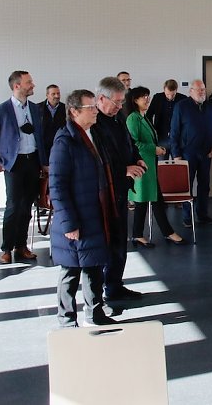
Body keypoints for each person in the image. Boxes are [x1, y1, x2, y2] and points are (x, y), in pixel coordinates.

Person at [50, 89, 117, 327]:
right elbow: (57, 186)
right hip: (76, 217)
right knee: (71, 271)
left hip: (94, 213)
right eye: (90, 108)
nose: (95, 111)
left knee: (93, 266)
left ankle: (95, 313)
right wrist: (69, 223)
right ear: (74, 112)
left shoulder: (93, 135)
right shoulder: (65, 141)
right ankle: (67, 320)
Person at [0, 70, 47, 264]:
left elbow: (40, 137)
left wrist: (44, 162)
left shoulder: (35, 108)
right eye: (29, 82)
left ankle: (21, 245)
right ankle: (6, 248)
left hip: (32, 161)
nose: (33, 85)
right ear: (17, 86)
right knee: (13, 206)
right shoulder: (2, 110)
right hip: (14, 164)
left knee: (27, 206)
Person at [93, 76, 146, 301]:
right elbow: (98, 159)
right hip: (103, 191)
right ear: (101, 99)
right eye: (116, 102)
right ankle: (100, 290)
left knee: (119, 240)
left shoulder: (117, 117)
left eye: (121, 101)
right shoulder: (93, 124)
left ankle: (115, 285)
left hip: (121, 190)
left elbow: (129, 142)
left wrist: (137, 158)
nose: (119, 106)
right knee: (106, 242)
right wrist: (124, 169)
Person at [125, 86, 185, 246]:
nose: (147, 99)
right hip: (141, 164)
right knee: (144, 200)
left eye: (148, 96)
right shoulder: (133, 118)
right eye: (143, 97)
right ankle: (147, 234)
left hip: (150, 164)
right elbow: (134, 143)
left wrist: (157, 148)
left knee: (155, 199)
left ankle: (162, 232)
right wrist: (154, 149)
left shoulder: (143, 117)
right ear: (135, 100)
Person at [171, 79, 212, 225]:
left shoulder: (210, 107)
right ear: (191, 91)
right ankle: (187, 217)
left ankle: (202, 214)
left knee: (204, 185)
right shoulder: (181, 106)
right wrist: (176, 154)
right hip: (187, 153)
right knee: (187, 186)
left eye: (203, 89)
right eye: (199, 90)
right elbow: (174, 131)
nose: (202, 92)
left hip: (206, 153)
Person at [146, 79, 187, 155]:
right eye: (167, 94)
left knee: (178, 160)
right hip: (161, 136)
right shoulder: (157, 98)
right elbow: (149, 114)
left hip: (178, 137)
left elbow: (186, 118)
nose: (170, 97)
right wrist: (152, 129)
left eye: (173, 94)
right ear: (164, 89)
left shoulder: (183, 99)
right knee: (162, 160)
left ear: (176, 90)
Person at [39, 84, 66, 163]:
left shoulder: (66, 108)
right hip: (43, 148)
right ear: (47, 95)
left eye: (58, 93)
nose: (57, 96)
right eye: (53, 94)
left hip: (60, 146)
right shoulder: (38, 108)